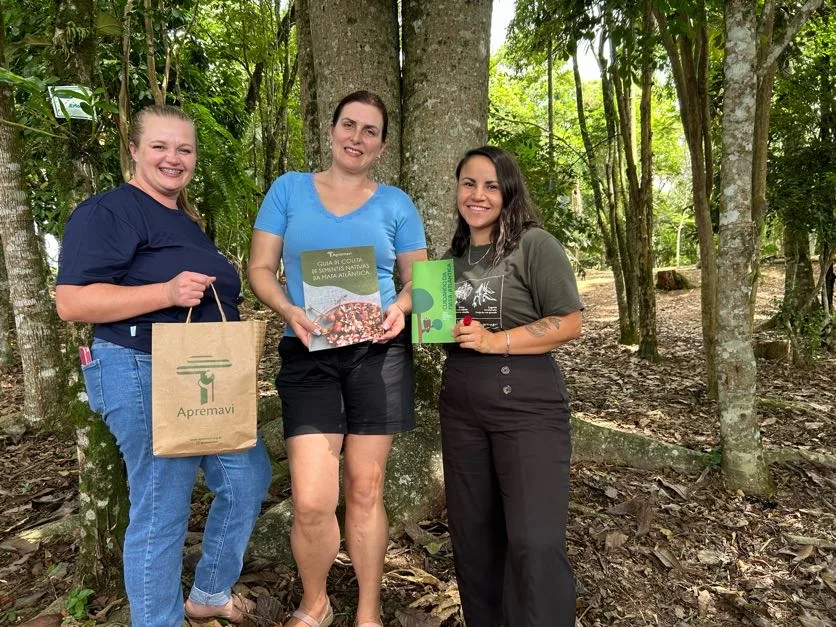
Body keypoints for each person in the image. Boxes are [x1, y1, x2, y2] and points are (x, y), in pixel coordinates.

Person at [55, 104, 272, 627]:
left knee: (247, 476)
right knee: (162, 508)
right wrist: (165, 291)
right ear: (132, 150)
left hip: (202, 375)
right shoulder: (110, 211)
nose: (173, 158)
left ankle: (209, 593)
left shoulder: (182, 220)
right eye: (160, 146)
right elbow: (72, 303)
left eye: (184, 149)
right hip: (141, 368)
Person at [248, 90, 427, 627]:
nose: (357, 137)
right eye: (349, 125)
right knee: (310, 499)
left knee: (367, 489)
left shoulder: (396, 202)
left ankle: (368, 612)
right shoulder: (289, 190)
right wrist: (288, 308)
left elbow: (419, 280)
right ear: (330, 131)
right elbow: (259, 268)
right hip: (309, 352)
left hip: (378, 353)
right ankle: (316, 601)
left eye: (369, 131)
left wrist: (400, 307)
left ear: (382, 145)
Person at [439, 146, 583, 626]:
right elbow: (441, 332)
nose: (477, 195)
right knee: (474, 538)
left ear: (508, 192)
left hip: (527, 406)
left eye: (490, 185)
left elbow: (567, 323)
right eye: (468, 183)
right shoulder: (452, 256)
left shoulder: (534, 244)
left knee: (534, 540)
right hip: (460, 409)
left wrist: (495, 340)